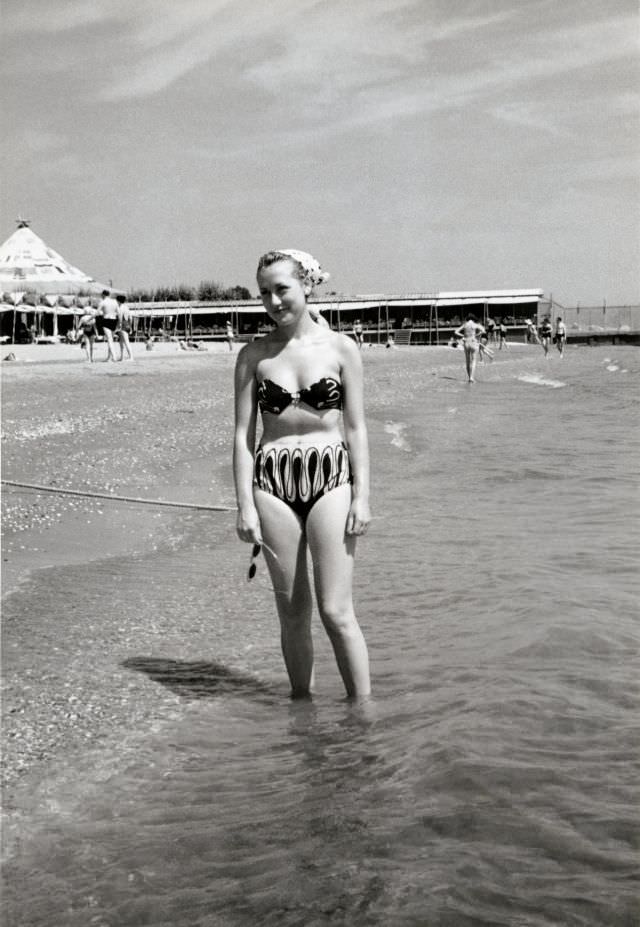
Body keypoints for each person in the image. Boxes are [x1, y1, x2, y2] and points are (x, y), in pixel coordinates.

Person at [233, 249, 371, 700]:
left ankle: (362, 716)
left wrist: (363, 496)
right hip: (272, 486)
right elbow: (241, 435)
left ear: (307, 287)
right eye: (264, 293)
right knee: (292, 612)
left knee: (335, 610)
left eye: (281, 289)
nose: (273, 301)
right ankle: (303, 711)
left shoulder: (342, 348)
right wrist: (245, 506)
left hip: (331, 479)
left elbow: (355, 426)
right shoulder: (253, 355)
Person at [454, 315, 485, 383]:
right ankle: (472, 378)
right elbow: (483, 330)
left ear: (467, 319)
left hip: (466, 342)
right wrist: (477, 335)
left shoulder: (465, 325)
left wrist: (463, 335)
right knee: (474, 360)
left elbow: (456, 332)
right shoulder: (475, 324)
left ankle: (469, 377)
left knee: (467, 361)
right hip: (473, 341)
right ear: (473, 319)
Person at [98, 289, 119, 361]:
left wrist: (89, 317)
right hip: (114, 320)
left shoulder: (103, 302)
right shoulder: (115, 302)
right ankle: (109, 357)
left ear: (103, 295)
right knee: (111, 339)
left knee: (109, 340)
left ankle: (114, 357)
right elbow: (118, 313)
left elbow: (97, 312)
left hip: (106, 320)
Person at [115, 294, 133, 361]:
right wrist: (130, 327)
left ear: (118, 301)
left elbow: (120, 318)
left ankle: (131, 357)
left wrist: (118, 326)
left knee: (126, 342)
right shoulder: (126, 307)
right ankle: (122, 357)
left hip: (122, 324)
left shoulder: (120, 308)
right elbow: (130, 318)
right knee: (121, 342)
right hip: (127, 324)